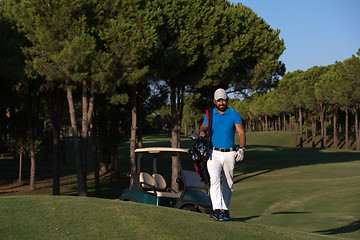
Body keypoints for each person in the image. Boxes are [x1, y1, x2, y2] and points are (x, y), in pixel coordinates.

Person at [199, 88, 246, 221]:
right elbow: (203, 127)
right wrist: (202, 133)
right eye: (218, 100)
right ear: (214, 101)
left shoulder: (234, 114)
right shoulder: (210, 115)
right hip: (213, 153)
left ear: (227, 100)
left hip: (230, 153)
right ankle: (217, 210)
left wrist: (242, 149)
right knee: (214, 181)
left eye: (223, 99)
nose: (221, 102)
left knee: (228, 183)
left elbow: (241, 133)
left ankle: (225, 211)